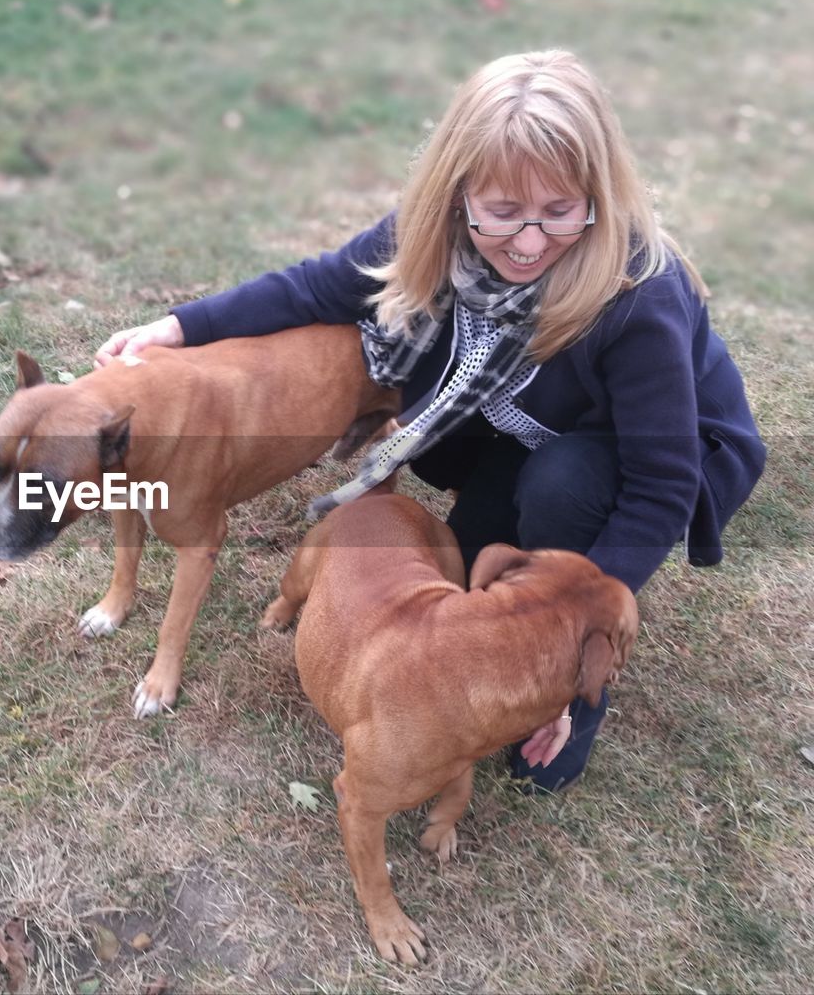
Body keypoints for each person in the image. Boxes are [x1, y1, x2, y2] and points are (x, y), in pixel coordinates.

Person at [93, 49, 766, 792]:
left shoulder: (639, 296)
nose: (532, 242)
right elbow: (314, 288)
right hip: (527, 420)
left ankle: (573, 693)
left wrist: (579, 646)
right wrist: (180, 327)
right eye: (504, 213)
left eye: (560, 212)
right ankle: (514, 515)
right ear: (456, 193)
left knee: (564, 488)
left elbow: (660, 487)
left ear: (599, 196)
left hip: (650, 450)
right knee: (463, 573)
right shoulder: (430, 232)